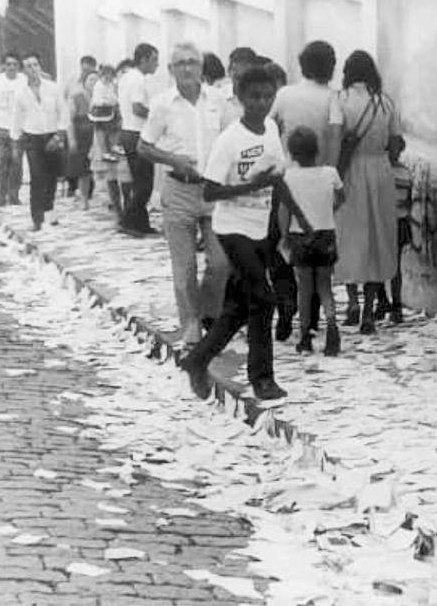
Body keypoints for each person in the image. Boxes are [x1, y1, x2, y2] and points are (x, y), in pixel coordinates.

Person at [179, 65, 287, 402]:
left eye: (268, 96)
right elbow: (210, 192)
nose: (262, 103)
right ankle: (262, 378)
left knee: (239, 308)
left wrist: (287, 223)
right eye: (255, 97)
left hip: (260, 228)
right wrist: (249, 186)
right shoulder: (229, 140)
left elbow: (277, 177)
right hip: (231, 228)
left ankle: (197, 360)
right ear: (240, 99)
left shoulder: (270, 128)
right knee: (264, 299)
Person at [137, 41, 231, 347]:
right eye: (181, 63)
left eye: (193, 62)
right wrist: (172, 160)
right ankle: (191, 322)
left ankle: (208, 312)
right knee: (185, 265)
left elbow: (232, 139)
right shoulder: (163, 104)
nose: (188, 68)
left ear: (202, 68)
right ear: (171, 70)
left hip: (214, 192)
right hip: (178, 190)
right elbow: (144, 146)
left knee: (220, 263)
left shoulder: (218, 100)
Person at [270, 41, 343, 339]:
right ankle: (312, 321)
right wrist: (332, 173)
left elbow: (269, 126)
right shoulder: (332, 99)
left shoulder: (285, 94)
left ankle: (287, 301)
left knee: (283, 244)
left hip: (287, 178)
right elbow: (337, 136)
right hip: (320, 182)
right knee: (320, 268)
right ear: (330, 67)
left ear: (302, 65)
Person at [330, 50, 403, 334]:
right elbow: (395, 145)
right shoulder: (385, 102)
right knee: (377, 239)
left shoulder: (340, 100)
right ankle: (371, 310)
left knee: (349, 237)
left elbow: (336, 139)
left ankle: (352, 302)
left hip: (350, 174)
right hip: (381, 173)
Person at [278, 126, 344, 356]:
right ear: (317, 150)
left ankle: (305, 337)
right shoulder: (330, 173)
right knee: (325, 286)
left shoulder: (288, 177)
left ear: (292, 154)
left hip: (300, 236)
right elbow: (341, 197)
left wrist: (284, 236)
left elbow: (284, 211)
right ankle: (333, 328)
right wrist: (329, 209)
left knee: (305, 290)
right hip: (326, 234)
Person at [11, 52, 68, 231]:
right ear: (23, 70)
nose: (33, 69)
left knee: (51, 176)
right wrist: (15, 141)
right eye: (28, 66)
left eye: (35, 65)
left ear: (40, 66)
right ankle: (37, 218)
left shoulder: (52, 88)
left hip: (52, 136)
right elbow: (16, 118)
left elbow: (63, 112)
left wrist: (59, 135)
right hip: (32, 138)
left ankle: (49, 211)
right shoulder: (20, 93)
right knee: (37, 177)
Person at [117, 42, 160, 236]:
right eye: (154, 59)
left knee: (139, 181)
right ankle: (127, 220)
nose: (156, 64)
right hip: (137, 133)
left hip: (128, 131)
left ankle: (141, 224)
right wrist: (157, 116)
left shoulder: (126, 77)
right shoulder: (138, 80)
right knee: (145, 184)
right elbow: (137, 108)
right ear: (143, 60)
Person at [0, 52, 26, 206]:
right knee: (1, 160)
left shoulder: (23, 81)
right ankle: (0, 195)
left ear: (18, 66)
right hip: (0, 128)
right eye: (8, 64)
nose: (11, 67)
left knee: (16, 161)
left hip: (18, 129)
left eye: (14, 64)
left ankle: (14, 194)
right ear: (4, 66)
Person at [66, 69, 97, 210]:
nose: (94, 83)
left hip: (98, 135)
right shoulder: (76, 97)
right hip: (82, 136)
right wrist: (71, 138)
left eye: (96, 80)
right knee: (83, 169)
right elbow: (70, 120)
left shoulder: (103, 96)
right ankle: (84, 198)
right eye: (91, 79)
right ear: (84, 82)